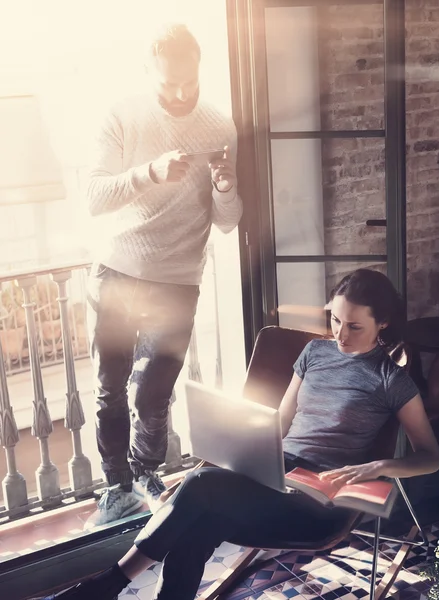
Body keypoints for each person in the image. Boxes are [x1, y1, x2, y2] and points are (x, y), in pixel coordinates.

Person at [40, 269, 439, 599]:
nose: (340, 334)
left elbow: (430, 456)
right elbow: (279, 426)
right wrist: (236, 455)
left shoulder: (390, 380)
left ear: (382, 324)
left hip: (320, 502)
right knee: (199, 521)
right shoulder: (315, 354)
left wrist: (379, 465)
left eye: (354, 326)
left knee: (200, 488)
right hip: (278, 481)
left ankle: (109, 583)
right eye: (335, 319)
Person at [84, 23, 243, 529]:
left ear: (200, 70)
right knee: (110, 388)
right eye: (168, 84)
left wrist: (223, 186)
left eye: (188, 83)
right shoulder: (123, 115)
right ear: (148, 73)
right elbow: (93, 197)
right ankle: (116, 489)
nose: (179, 94)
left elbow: (227, 220)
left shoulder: (220, 125)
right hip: (119, 270)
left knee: (153, 393)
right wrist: (149, 172)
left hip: (179, 278)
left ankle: (146, 473)